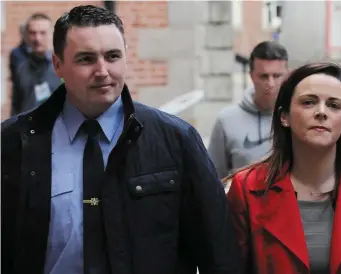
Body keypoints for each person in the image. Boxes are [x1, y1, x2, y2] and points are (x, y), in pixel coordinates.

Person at [1, 5, 242, 274]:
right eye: (86, 59)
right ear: (58, 64)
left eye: (113, 56)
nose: (102, 70)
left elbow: (219, 254)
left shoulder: (176, 140)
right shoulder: (14, 143)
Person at [226, 62, 341, 273]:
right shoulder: (248, 190)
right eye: (309, 102)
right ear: (284, 117)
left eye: (334, 105)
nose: (322, 112)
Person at [207, 41, 288, 181]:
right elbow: (213, 178)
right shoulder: (227, 120)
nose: (270, 84)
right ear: (251, 75)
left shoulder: (298, 117)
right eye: (263, 76)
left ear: (287, 74)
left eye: (277, 76)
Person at [11, 13, 61, 116]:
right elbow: (16, 104)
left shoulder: (64, 67)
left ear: (52, 34)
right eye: (33, 33)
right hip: (26, 128)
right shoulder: (22, 68)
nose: (37, 38)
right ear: (26, 36)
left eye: (42, 33)